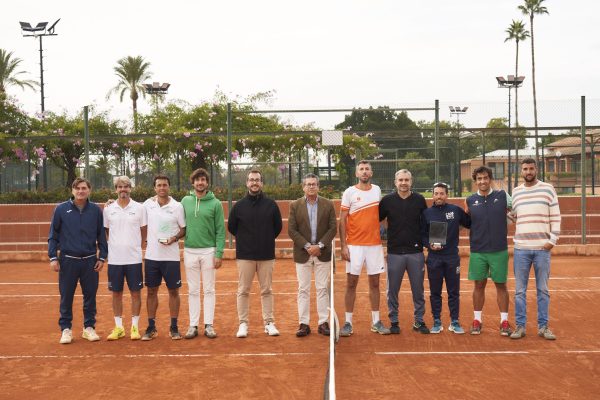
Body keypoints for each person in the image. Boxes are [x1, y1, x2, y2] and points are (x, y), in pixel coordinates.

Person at [48, 177, 107, 344]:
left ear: (89, 191)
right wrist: (53, 257)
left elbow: (101, 236)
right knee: (66, 297)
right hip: (68, 261)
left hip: (90, 261)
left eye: (84, 188)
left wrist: (102, 257)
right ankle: (66, 329)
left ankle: (89, 328)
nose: (81, 191)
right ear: (72, 191)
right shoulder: (60, 209)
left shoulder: (96, 210)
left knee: (90, 297)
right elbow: (53, 235)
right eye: (78, 188)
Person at [510, 158, 561, 340]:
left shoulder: (548, 189)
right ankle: (520, 327)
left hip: (542, 249)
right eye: (525, 169)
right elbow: (515, 217)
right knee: (519, 291)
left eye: (531, 168)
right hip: (521, 249)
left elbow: (556, 216)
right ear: (521, 171)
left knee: (543, 290)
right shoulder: (516, 192)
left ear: (536, 169)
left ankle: (543, 326)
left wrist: (552, 240)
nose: (528, 171)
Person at [228, 169, 282, 338]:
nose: (254, 183)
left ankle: (269, 323)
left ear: (262, 183)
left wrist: (264, 239)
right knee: (243, 290)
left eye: (257, 180)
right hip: (245, 255)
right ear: (247, 183)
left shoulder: (271, 205)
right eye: (251, 180)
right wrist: (247, 241)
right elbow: (232, 227)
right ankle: (243, 324)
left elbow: (277, 227)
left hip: (266, 255)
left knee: (267, 290)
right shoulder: (239, 206)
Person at [339, 160, 390, 336]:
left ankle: (376, 321)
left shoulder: (377, 190)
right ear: (356, 173)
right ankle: (348, 322)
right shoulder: (349, 192)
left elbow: (380, 217)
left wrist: (383, 239)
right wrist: (343, 245)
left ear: (371, 173)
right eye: (361, 169)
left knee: (375, 284)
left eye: (367, 169)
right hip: (354, 245)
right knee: (351, 284)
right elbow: (342, 219)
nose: (364, 172)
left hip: (374, 245)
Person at [379, 169, 430, 334]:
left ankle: (419, 321)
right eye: (400, 180)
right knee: (392, 290)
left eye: (406, 180)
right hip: (394, 253)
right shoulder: (387, 201)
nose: (403, 183)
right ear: (395, 182)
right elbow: (376, 220)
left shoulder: (419, 200)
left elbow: (426, 224)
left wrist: (426, 245)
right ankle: (394, 321)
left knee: (418, 290)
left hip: (415, 253)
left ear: (411, 181)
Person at [288, 173, 337, 337]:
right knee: (303, 289)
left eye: (314, 184)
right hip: (303, 253)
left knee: (322, 288)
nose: (311, 187)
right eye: (308, 184)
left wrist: (320, 246)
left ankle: (323, 323)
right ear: (303, 187)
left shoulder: (328, 204)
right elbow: (292, 230)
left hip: (322, 253)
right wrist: (308, 246)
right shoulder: (295, 205)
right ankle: (304, 324)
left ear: (318, 186)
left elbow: (332, 229)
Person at [465, 166, 513, 336]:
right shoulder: (470, 200)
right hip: (478, 250)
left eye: (485, 178)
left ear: (490, 179)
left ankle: (504, 321)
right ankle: (477, 320)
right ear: (475, 181)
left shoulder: (502, 196)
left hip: (499, 249)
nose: (482, 181)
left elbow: (514, 212)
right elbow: (468, 220)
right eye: (479, 179)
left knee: (501, 285)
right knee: (479, 285)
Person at [180, 168, 226, 339]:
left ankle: (209, 325)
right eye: (197, 180)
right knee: (192, 290)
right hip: (190, 250)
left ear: (207, 183)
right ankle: (193, 325)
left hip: (209, 251)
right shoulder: (185, 201)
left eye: (203, 180)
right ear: (193, 183)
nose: (200, 183)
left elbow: (221, 231)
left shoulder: (216, 204)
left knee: (209, 289)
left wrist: (219, 253)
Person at [141, 175, 186, 340]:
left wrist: (174, 238)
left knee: (173, 291)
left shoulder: (177, 206)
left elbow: (183, 229)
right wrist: (111, 202)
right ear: (154, 188)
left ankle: (174, 327)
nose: (162, 188)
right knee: (151, 291)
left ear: (169, 187)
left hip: (171, 257)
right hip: (152, 257)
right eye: (159, 185)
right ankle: (151, 327)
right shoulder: (147, 204)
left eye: (165, 185)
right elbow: (130, 208)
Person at [422, 182, 470, 334]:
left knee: (453, 291)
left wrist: (469, 211)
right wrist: (429, 245)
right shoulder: (427, 213)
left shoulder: (455, 210)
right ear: (433, 195)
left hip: (451, 258)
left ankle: (454, 321)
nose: (439, 196)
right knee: (435, 292)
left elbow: (468, 223)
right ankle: (437, 320)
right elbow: (421, 235)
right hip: (434, 258)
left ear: (446, 195)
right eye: (436, 193)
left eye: (442, 193)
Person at [103, 176, 147, 341]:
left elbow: (144, 231)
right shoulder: (108, 209)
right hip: (115, 260)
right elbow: (107, 231)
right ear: (116, 189)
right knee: (116, 293)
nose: (123, 189)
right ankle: (119, 327)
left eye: (126, 186)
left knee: (136, 293)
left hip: (134, 259)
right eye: (120, 187)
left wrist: (135, 246)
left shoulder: (139, 208)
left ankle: (134, 327)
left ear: (131, 188)